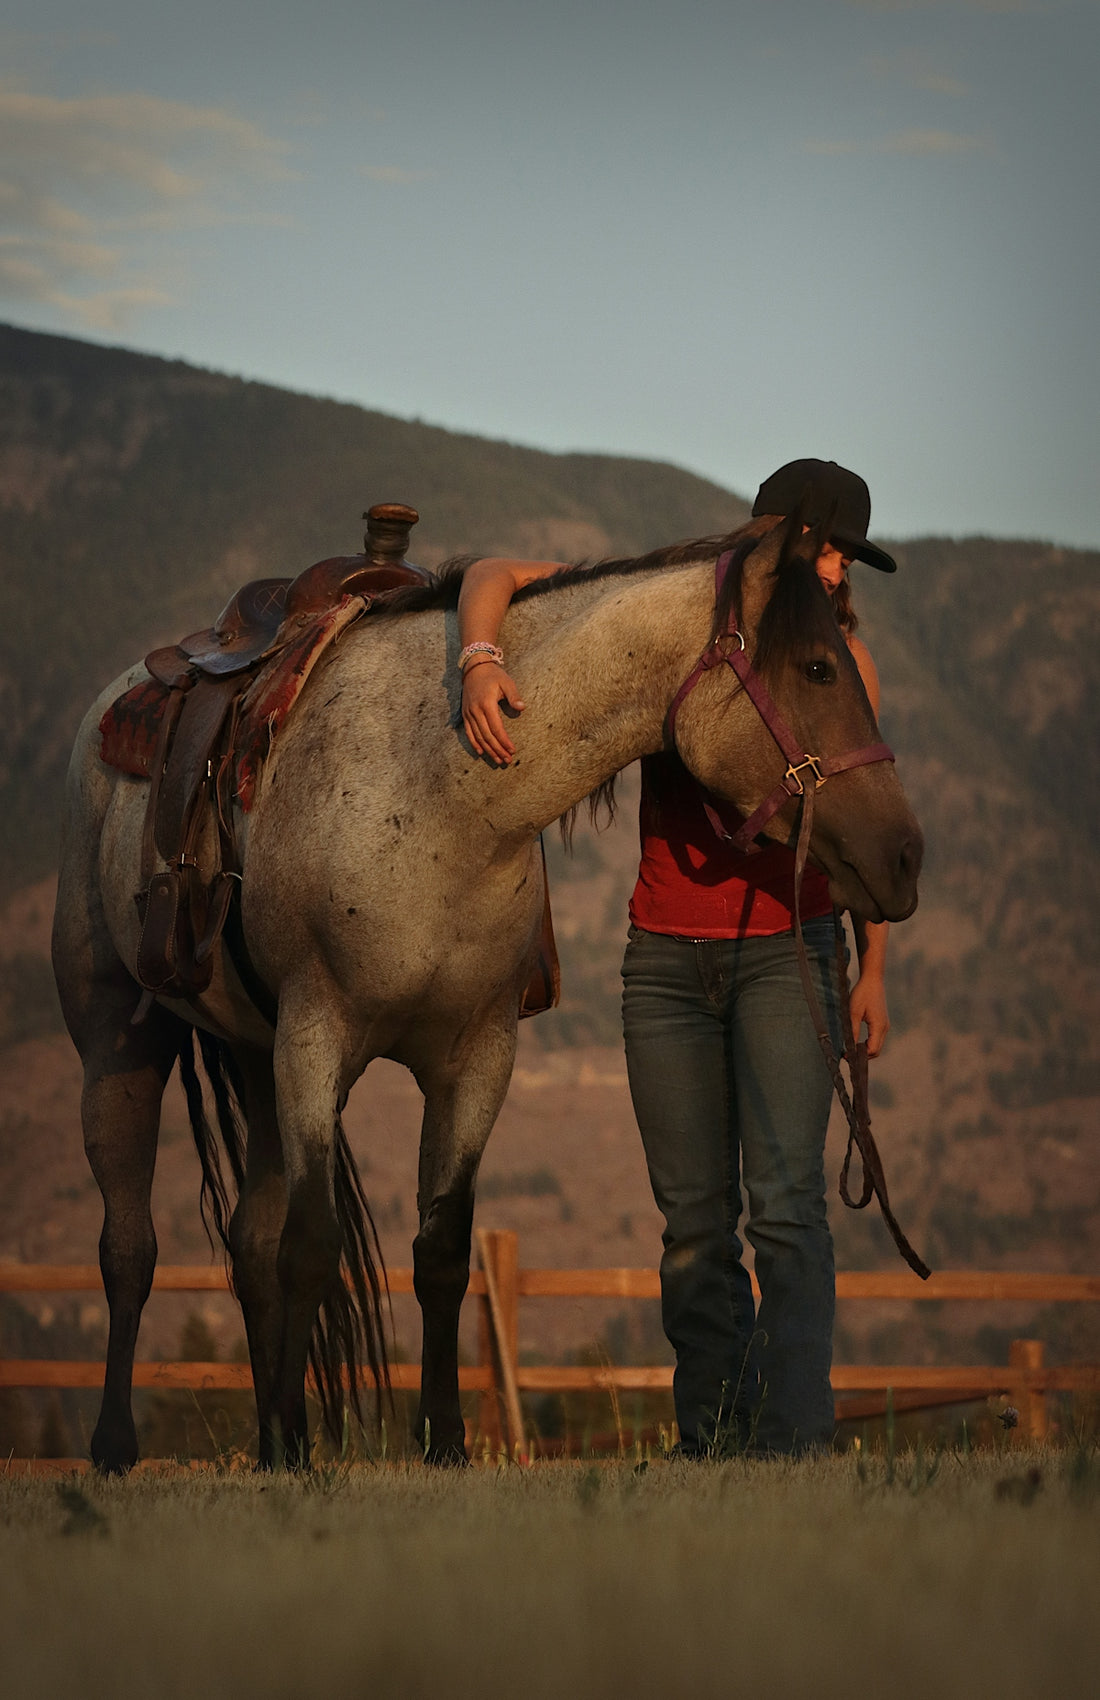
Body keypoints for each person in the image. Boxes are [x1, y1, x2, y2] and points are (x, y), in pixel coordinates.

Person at [458, 459, 895, 1456]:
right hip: (663, 959)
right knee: (694, 1224)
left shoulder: (847, 670)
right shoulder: (673, 619)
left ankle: (792, 1443)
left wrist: (871, 970)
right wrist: (481, 659)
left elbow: (861, 831)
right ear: (778, 540)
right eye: (825, 546)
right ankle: (712, 1436)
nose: (834, 570)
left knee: (784, 1211)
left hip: (789, 953)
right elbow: (494, 571)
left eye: (843, 558)